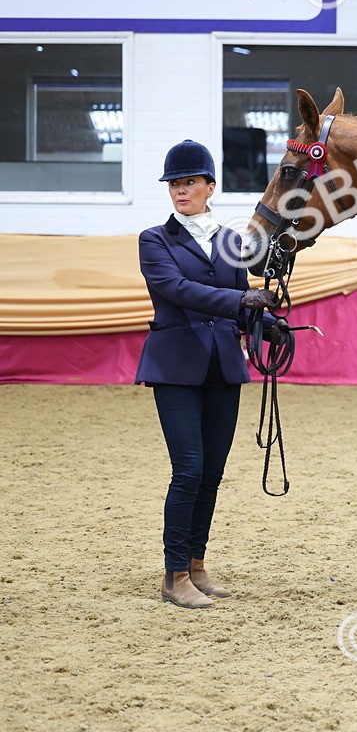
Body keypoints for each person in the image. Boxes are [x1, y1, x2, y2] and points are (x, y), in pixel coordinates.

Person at [135, 139, 282, 609]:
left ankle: (197, 566)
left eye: (189, 183)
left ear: (209, 187)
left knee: (212, 473)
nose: (180, 192)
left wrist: (268, 324)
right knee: (189, 469)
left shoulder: (230, 242)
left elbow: (241, 306)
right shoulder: (155, 240)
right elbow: (176, 290)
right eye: (174, 185)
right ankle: (173, 574)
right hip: (176, 366)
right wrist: (242, 300)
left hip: (222, 364)